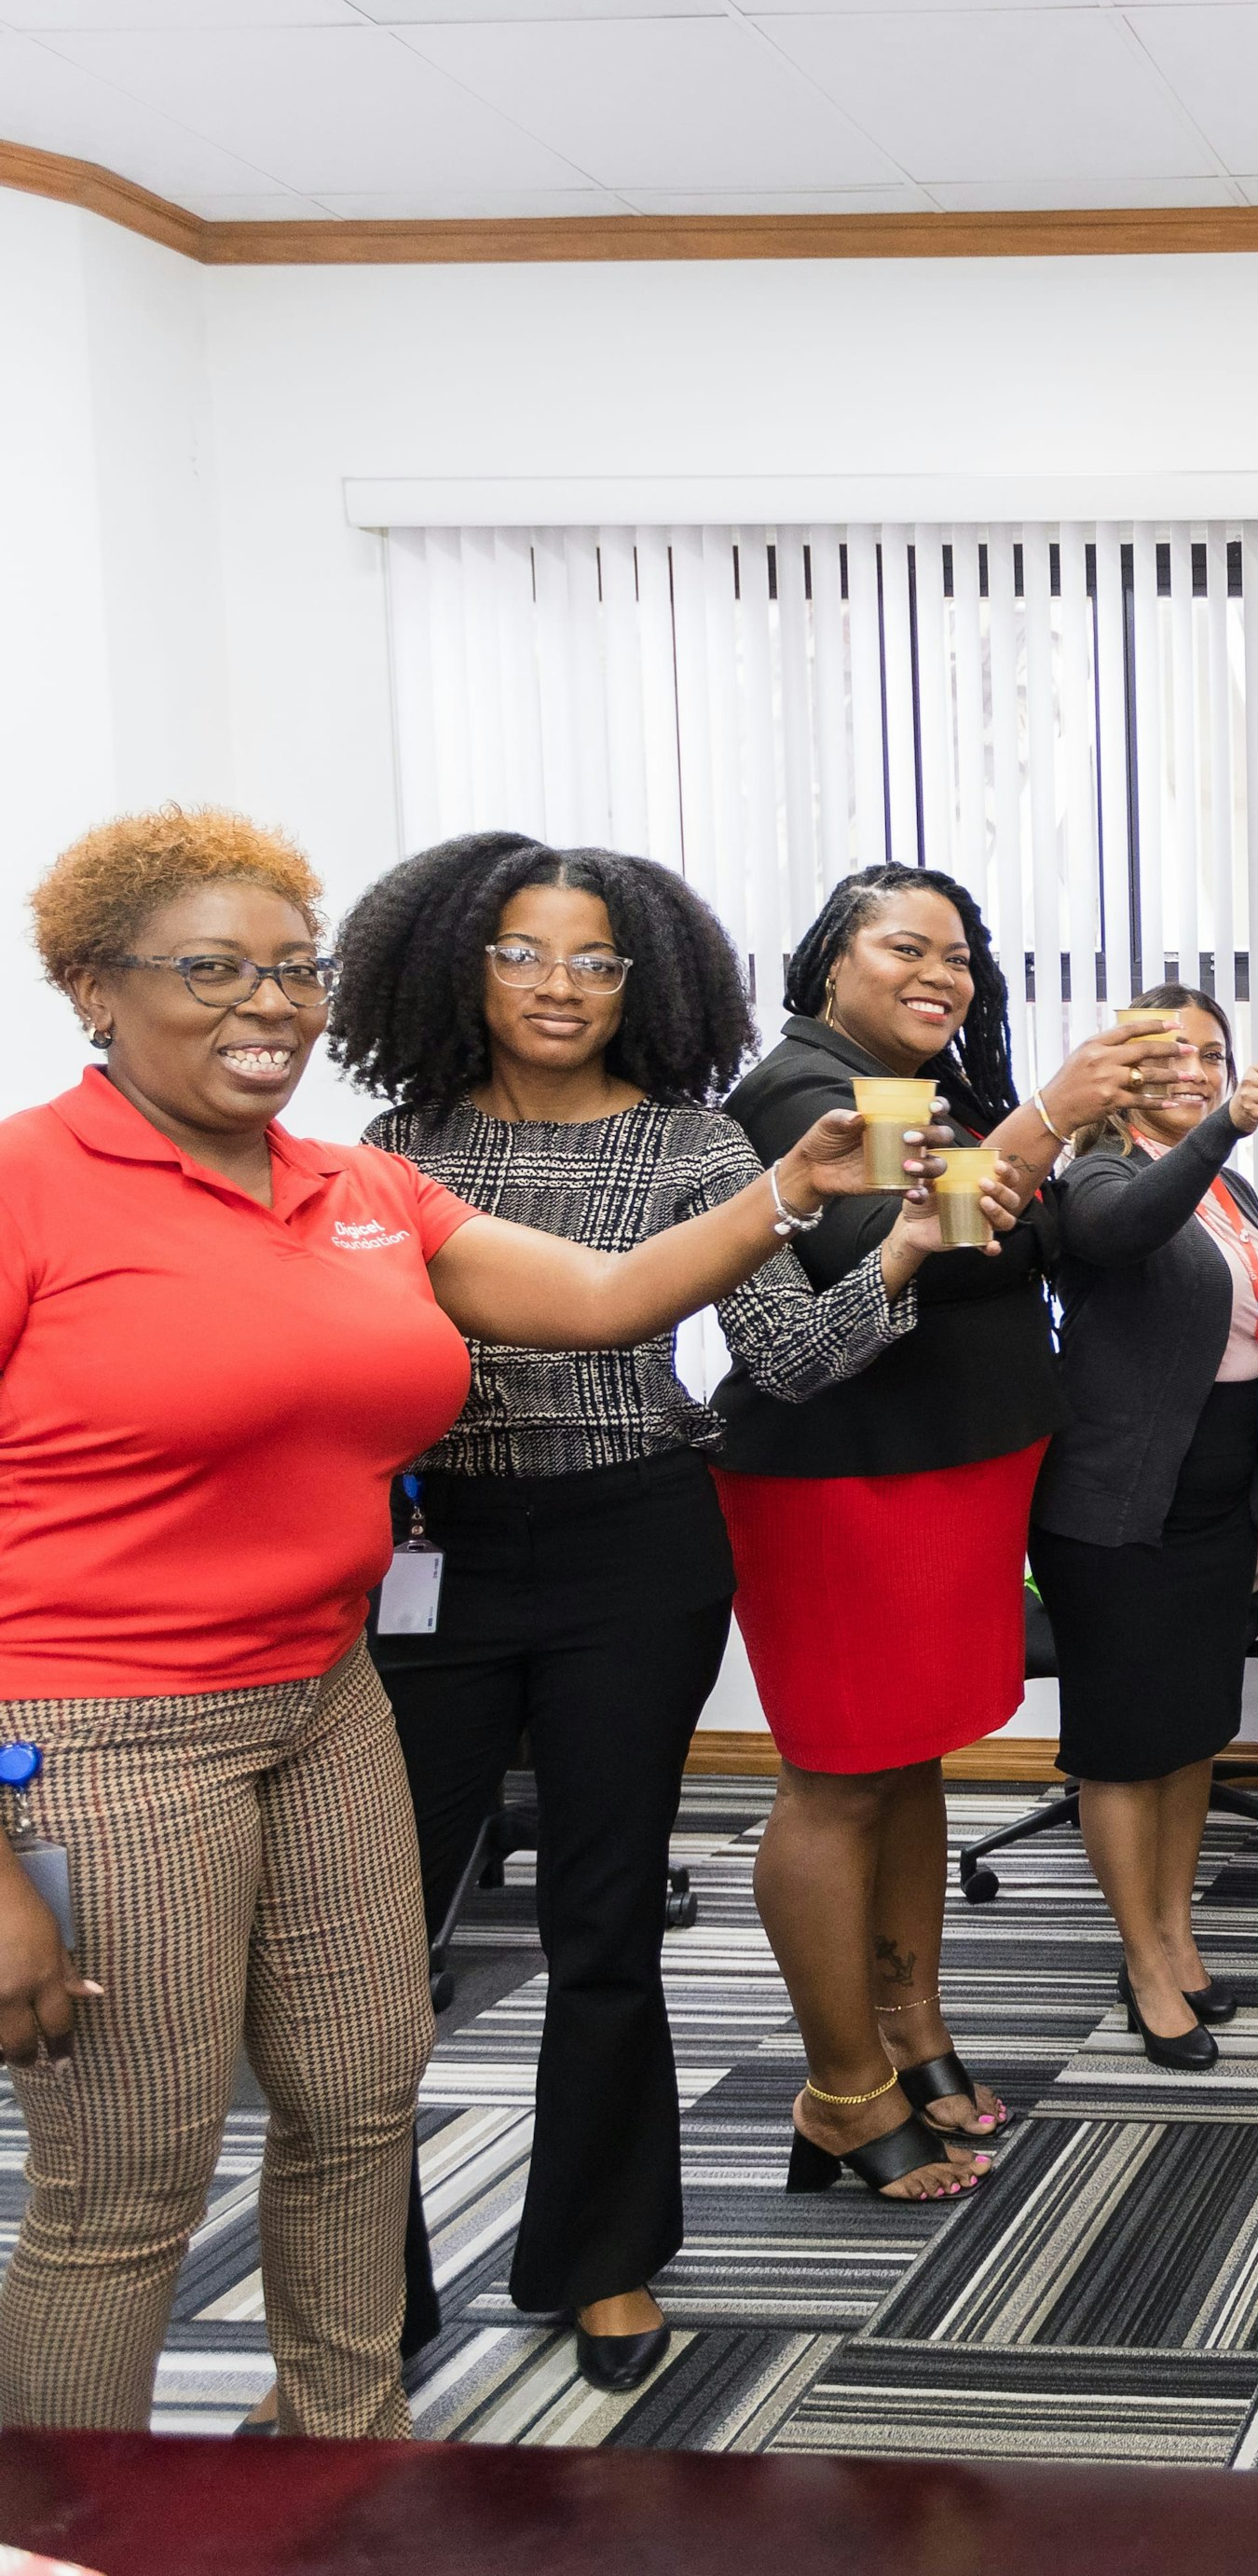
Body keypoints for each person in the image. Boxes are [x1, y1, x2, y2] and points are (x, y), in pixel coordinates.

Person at [0, 807, 919, 2438]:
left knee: (370, 2085)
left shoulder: (351, 1184)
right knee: (132, 2175)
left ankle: (353, 2442)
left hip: (343, 1670)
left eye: (292, 970)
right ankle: (70, 2522)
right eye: (212, 971)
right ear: (91, 987)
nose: (264, 1005)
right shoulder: (38, 1187)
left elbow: (602, 1301)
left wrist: (795, 1194)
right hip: (116, 1724)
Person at [327, 833, 948, 2392]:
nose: (560, 986)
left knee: (603, 1923)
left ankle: (603, 2258)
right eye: (524, 953)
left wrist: (905, 1258)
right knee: (372, 1946)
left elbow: (787, 1359)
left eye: (596, 959)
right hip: (437, 1557)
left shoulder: (688, 1146)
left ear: (645, 979)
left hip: (634, 1547)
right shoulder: (390, 1151)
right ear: (459, 966)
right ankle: (362, 2300)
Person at [715, 862, 1160, 2203]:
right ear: (828, 964)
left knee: (909, 1765)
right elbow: (891, 1244)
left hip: (953, 1474)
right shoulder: (803, 1091)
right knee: (840, 1774)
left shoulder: (935, 1090)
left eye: (958, 956)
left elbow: (996, 1246)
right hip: (848, 1479)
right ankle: (839, 2086)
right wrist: (1045, 1118)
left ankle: (911, 2035)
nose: (940, 975)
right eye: (905, 948)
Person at [1030, 986, 1258, 2069]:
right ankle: (1142, 1961)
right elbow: (1116, 1231)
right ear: (1118, 1066)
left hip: (1217, 1499)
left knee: (1194, 1732)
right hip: (1115, 1503)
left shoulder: (1229, 1184)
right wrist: (1225, 1124)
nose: (1196, 1067)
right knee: (1124, 1748)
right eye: (1170, 1051)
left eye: (1213, 1053)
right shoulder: (1091, 1171)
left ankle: (1176, 1932)